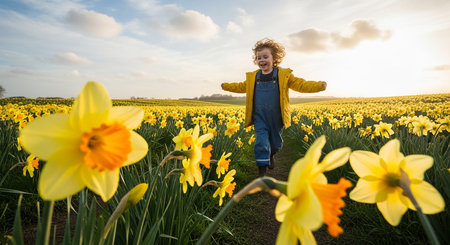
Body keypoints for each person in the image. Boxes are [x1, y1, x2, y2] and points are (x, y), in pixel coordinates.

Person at [221, 38, 327, 177]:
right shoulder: (253, 77)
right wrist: (226, 86)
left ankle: (270, 155)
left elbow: (301, 85)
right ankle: (262, 170)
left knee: (276, 144)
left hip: (276, 117)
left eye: (265, 56)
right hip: (260, 116)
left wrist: (318, 86)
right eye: (259, 58)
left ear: (274, 58)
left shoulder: (283, 75)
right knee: (261, 141)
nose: (262, 60)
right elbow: (241, 86)